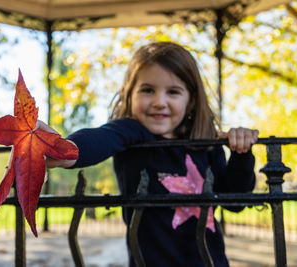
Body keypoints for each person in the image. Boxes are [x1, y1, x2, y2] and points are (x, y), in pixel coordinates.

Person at [40, 41, 259, 266]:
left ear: (191, 100)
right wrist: (62, 150)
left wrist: (241, 154)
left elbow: (235, 201)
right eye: (147, 90)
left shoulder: (206, 143)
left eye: (173, 92)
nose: (159, 102)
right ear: (129, 94)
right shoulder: (130, 133)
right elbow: (98, 138)